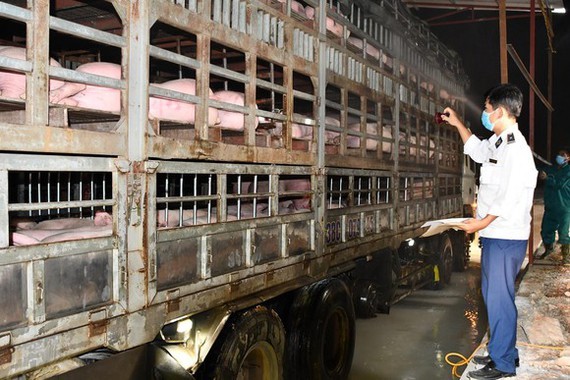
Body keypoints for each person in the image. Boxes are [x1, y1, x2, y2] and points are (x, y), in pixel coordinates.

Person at [441, 83, 537, 380]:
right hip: (496, 235)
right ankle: (501, 350)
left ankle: (504, 364)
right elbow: (477, 150)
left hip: (506, 237)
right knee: (491, 294)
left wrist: (478, 224)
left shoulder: (516, 150)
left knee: (498, 298)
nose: (484, 113)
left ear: (500, 111)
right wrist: (457, 122)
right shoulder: (498, 142)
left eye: (486, 109)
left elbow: (508, 198)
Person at [538, 148, 570, 262]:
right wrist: (541, 173)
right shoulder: (552, 168)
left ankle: (566, 255)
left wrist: (547, 178)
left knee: (564, 233)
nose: (559, 157)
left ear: (568, 158)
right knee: (546, 230)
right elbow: (541, 170)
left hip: (564, 207)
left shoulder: (568, 171)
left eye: (563, 155)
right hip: (551, 206)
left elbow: (559, 184)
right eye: (559, 154)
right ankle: (548, 249)